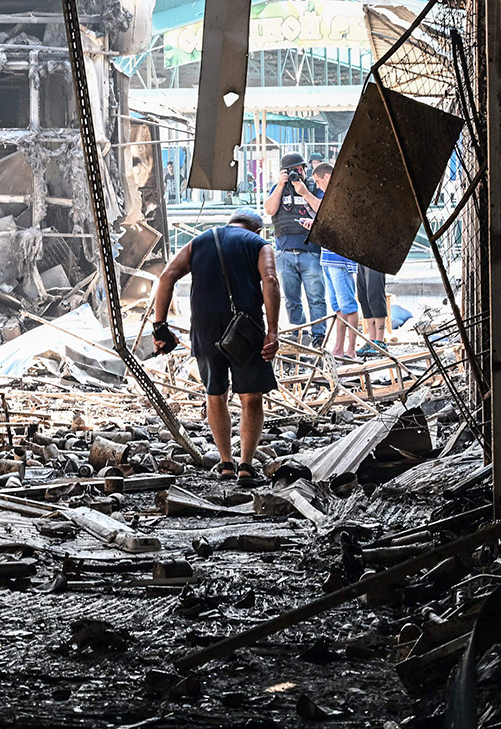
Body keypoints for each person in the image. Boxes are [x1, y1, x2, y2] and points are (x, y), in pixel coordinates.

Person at [148, 207, 282, 488]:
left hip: (206, 328)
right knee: (250, 396)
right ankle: (246, 464)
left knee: (215, 394)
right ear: (256, 229)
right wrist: (272, 331)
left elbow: (167, 276)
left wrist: (160, 325)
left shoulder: (199, 241)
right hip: (244, 330)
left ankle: (225, 463)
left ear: (230, 223)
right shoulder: (259, 243)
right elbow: (270, 280)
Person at [264, 151, 326, 347]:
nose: (295, 174)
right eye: (291, 171)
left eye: (298, 170)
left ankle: (319, 336)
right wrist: (281, 185)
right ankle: (299, 334)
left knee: (316, 297)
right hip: (285, 253)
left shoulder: (312, 188)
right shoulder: (278, 188)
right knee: (292, 300)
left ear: (304, 170)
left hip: (310, 252)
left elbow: (324, 210)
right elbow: (270, 210)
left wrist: (305, 193)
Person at [309, 162, 359, 358]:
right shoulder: (328, 196)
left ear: (327, 177)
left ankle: (351, 349)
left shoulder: (340, 194)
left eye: (318, 181)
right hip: (328, 256)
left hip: (340, 257)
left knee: (348, 304)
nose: (318, 186)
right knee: (338, 307)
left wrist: (305, 193)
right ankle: (338, 347)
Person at [356, 261, 390, 357]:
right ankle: (371, 340)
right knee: (363, 296)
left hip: (376, 256)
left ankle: (379, 341)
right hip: (363, 256)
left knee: (375, 293)